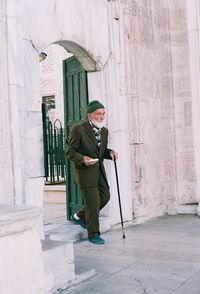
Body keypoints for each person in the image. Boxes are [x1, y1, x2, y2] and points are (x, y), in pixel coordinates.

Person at [66, 100, 118, 245]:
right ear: (90, 115)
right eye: (98, 114)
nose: (102, 117)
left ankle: (79, 216)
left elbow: (100, 151)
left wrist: (110, 152)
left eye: (103, 114)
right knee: (93, 202)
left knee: (105, 196)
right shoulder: (78, 129)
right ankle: (93, 233)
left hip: (99, 171)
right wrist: (83, 159)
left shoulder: (104, 131)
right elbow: (70, 151)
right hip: (85, 172)